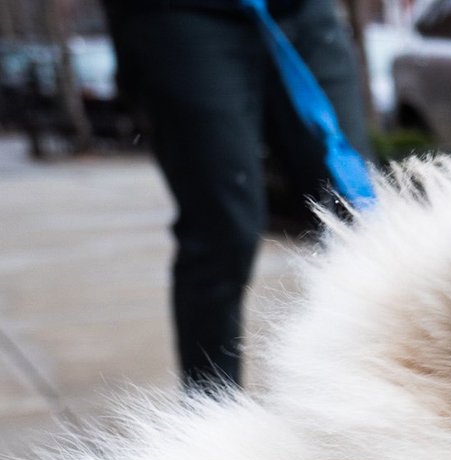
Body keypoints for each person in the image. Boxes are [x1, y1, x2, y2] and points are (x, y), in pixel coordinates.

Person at [104, 0, 371, 394]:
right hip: (184, 16)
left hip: (302, 12)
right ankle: (210, 419)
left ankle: (367, 398)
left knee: (361, 215)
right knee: (223, 232)